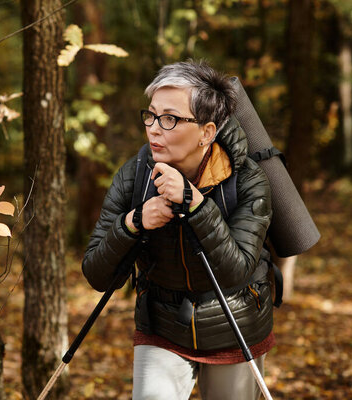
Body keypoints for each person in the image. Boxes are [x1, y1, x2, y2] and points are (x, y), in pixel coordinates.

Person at [82, 60, 275, 400]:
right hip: (163, 325)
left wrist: (197, 206)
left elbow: (237, 270)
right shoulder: (134, 177)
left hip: (234, 325)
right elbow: (96, 274)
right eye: (151, 115)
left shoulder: (248, 180)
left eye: (170, 119)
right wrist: (134, 222)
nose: (154, 129)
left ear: (207, 132)